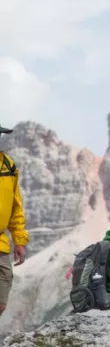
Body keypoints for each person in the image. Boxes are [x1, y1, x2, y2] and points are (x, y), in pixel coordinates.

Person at [0, 124, 28, 317]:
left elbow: (16, 207)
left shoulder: (8, 165)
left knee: (1, 299)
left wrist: (19, 239)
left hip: (1, 242)